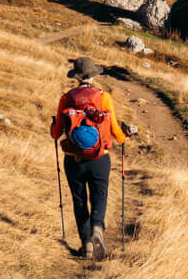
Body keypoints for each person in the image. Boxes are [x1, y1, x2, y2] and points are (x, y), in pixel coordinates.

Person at [51, 56, 132, 259]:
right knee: (99, 196)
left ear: (77, 77)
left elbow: (55, 133)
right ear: (93, 75)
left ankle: (86, 245)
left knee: (79, 201)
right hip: (99, 158)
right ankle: (97, 228)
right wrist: (125, 136)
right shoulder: (104, 97)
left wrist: (54, 125)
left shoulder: (66, 98)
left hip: (73, 159)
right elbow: (115, 130)